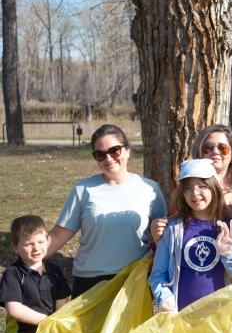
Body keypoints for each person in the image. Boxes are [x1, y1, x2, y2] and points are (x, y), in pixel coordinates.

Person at [48, 124, 167, 297]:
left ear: (127, 151)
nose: (108, 158)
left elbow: (161, 239)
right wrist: (27, 259)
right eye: (100, 154)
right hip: (89, 281)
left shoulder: (151, 189)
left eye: (115, 150)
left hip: (132, 281)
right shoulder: (83, 189)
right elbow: (58, 236)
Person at [148, 159, 232, 312]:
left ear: (214, 188)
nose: (195, 193)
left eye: (202, 186)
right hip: (183, 318)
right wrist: (165, 298)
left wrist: (230, 255)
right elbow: (157, 275)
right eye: (188, 188)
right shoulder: (173, 229)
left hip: (222, 319)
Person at [1, 215, 71, 333]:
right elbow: (14, 308)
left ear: (48, 241)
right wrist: (48, 321)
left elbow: (63, 302)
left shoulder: (54, 272)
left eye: (40, 241)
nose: (36, 248)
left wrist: (60, 324)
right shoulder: (13, 274)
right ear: (15, 247)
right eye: (28, 244)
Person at [152, 125, 232, 243]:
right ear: (199, 153)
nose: (215, 151)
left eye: (223, 148)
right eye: (207, 148)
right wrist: (159, 235)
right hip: (198, 254)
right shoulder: (189, 188)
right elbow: (174, 227)